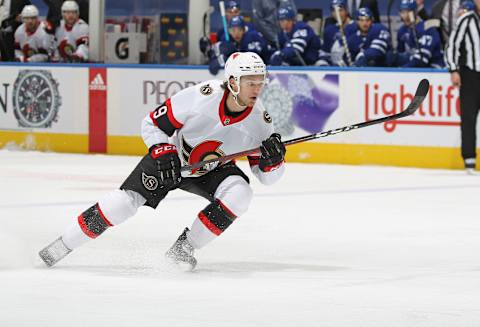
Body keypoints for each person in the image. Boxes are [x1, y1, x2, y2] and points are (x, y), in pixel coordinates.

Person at [38, 51, 286, 271]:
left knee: (240, 194)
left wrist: (273, 161)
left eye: (260, 83)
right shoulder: (201, 97)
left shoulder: (260, 122)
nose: (257, 89)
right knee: (122, 205)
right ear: (232, 82)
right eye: (250, 83)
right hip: (172, 160)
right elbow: (152, 123)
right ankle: (63, 245)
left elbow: (268, 178)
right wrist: (162, 148)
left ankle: (183, 249)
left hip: (212, 170)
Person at [445, 0, 480, 173]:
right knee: (468, 117)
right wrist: (453, 69)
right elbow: (452, 45)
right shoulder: (467, 19)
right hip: (471, 75)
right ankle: (469, 159)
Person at [396, 0, 445, 68]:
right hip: (413, 66)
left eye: (406, 12)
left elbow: (422, 59)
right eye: (402, 12)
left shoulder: (428, 28)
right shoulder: (402, 30)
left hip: (434, 68)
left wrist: (402, 69)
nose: (403, 16)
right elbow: (400, 54)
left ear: (414, 12)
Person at [322, 0, 356, 66]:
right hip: (334, 68)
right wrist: (323, 63)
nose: (337, 14)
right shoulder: (329, 30)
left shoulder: (356, 27)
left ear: (346, 11)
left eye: (340, 10)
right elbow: (325, 52)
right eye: (334, 11)